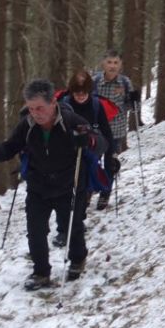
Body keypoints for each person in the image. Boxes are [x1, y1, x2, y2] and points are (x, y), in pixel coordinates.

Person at [0, 78, 106, 290]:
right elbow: (9, 148)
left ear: (52, 103)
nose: (36, 113)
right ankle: (41, 272)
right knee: (35, 231)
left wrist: (88, 140)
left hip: (69, 186)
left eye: (40, 108)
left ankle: (77, 259)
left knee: (71, 227)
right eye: (31, 108)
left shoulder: (71, 121)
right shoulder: (27, 125)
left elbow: (100, 143)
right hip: (39, 187)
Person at [52, 70, 119, 244]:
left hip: (91, 150)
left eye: (84, 92)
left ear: (90, 90)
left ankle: (77, 222)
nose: (80, 96)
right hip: (68, 152)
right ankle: (65, 228)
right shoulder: (63, 105)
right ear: (71, 91)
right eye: (77, 92)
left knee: (81, 188)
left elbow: (107, 132)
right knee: (67, 190)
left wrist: (112, 155)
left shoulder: (96, 105)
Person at [92, 49, 139, 209]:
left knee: (110, 163)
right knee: (92, 162)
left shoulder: (125, 83)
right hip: (96, 131)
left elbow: (133, 108)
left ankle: (105, 194)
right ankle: (89, 190)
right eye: (109, 62)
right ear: (103, 64)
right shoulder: (94, 82)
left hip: (116, 131)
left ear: (120, 65)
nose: (112, 66)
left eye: (116, 63)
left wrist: (133, 101)